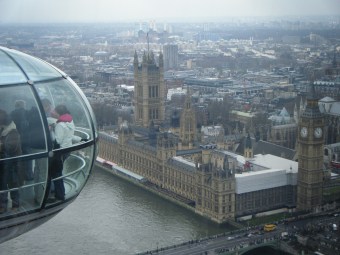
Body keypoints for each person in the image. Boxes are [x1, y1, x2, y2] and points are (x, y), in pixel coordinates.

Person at [0, 109, 22, 213]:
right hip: (4, 161)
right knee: (2, 183)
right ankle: (2, 205)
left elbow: (11, 147)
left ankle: (15, 204)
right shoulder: (3, 129)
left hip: (12, 162)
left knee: (12, 183)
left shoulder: (13, 131)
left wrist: (1, 146)